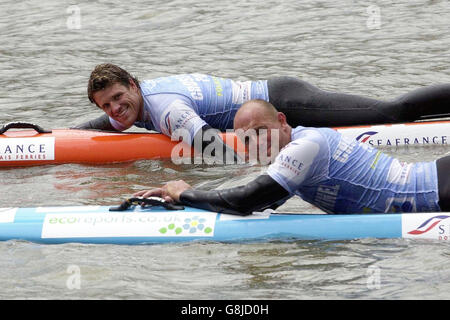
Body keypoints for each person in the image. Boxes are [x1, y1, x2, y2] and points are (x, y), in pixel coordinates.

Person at [133, 99, 450, 215]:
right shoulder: (291, 153)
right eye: (248, 138)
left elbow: (246, 200)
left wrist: (186, 192)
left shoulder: (304, 146)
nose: (258, 141)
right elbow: (263, 202)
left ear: (282, 122)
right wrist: (180, 200)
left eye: (262, 130)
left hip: (441, 189)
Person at [77, 63, 450, 160]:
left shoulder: (167, 109)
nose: (115, 109)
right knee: (391, 110)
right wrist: (51, 134)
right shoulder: (130, 103)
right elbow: (106, 122)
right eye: (106, 104)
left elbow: (215, 150)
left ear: (134, 85)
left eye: (119, 98)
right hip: (270, 105)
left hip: (284, 103)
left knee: (392, 112)